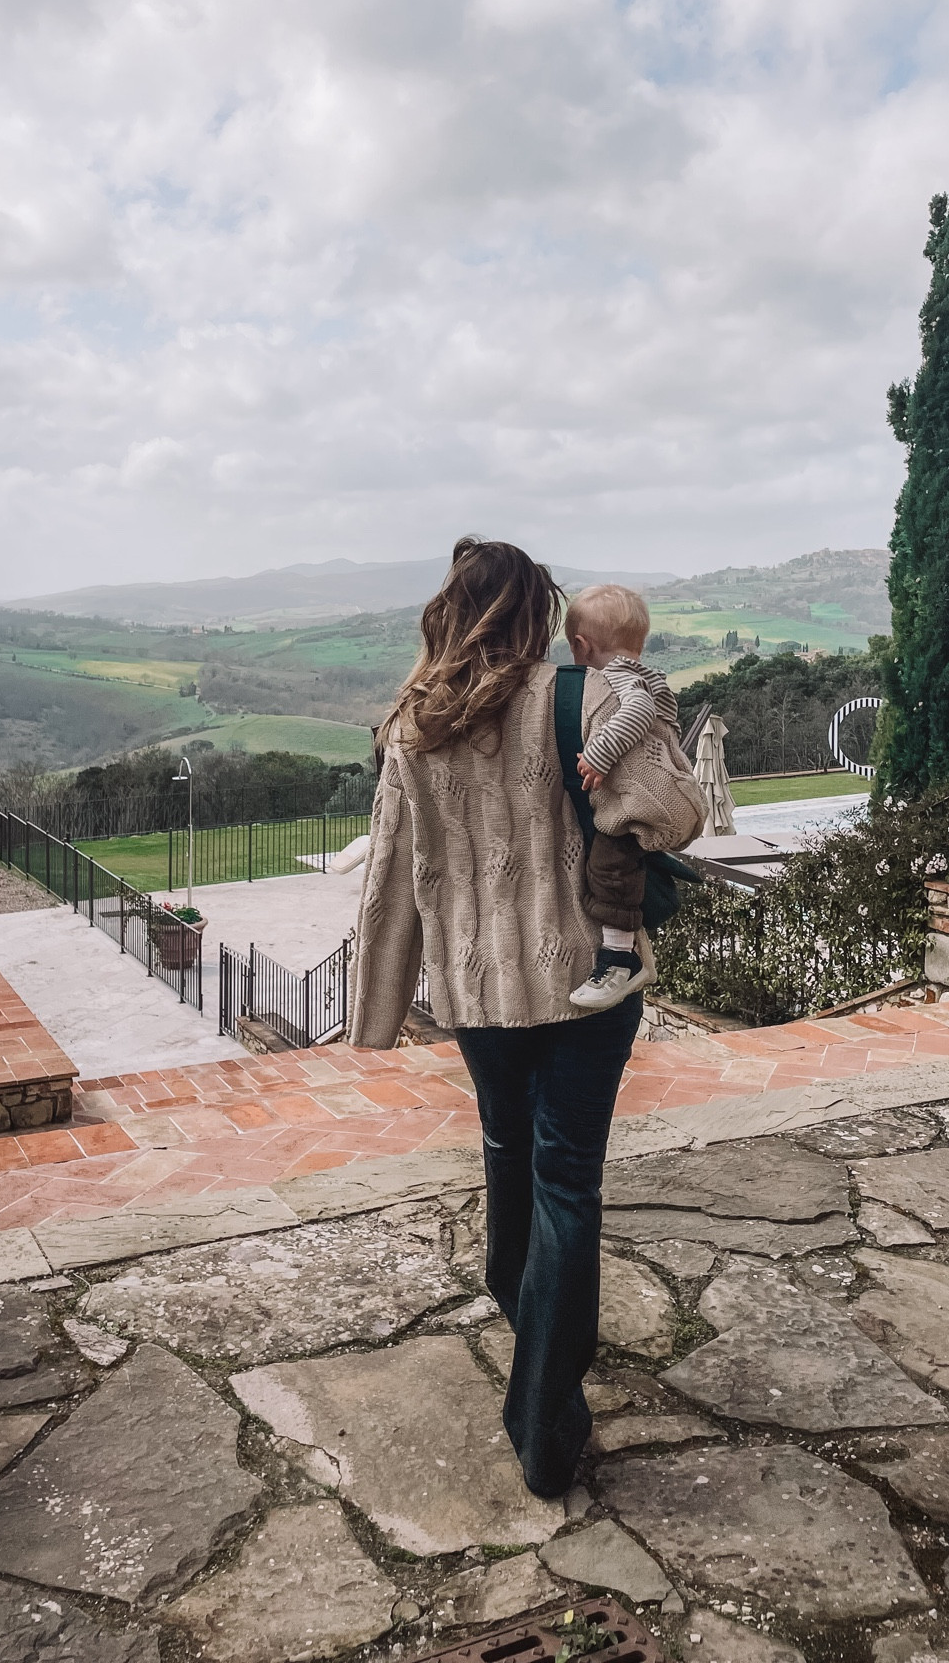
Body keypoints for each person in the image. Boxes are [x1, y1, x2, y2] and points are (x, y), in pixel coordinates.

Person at [347, 537, 705, 1498]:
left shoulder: (412, 724)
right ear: (538, 615)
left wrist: (374, 1016)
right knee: (568, 1180)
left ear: (449, 613)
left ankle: (524, 1313)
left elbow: (388, 876)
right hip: (591, 981)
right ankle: (546, 1417)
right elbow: (676, 814)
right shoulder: (579, 699)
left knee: (508, 1151)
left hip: (477, 994)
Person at [563, 582, 680, 1011]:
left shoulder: (615, 677)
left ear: (581, 644)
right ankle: (632, 955)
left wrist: (598, 754)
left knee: (610, 866)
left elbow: (640, 712)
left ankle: (618, 959)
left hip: (637, 793)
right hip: (651, 783)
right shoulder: (643, 672)